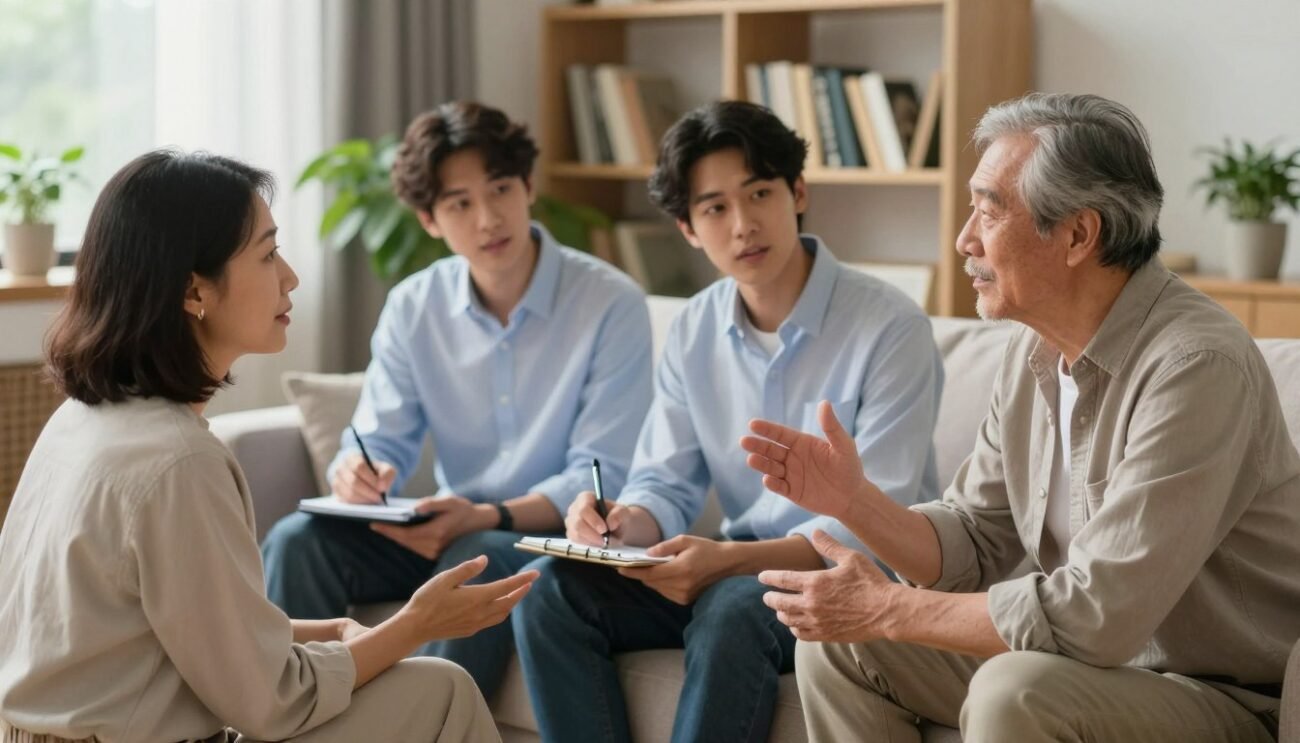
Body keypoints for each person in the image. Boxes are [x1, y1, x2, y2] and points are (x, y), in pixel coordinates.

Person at [741, 93, 1300, 742]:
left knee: (1014, 690)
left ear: (1078, 234)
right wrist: (855, 501)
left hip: (1220, 692)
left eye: (989, 208)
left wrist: (892, 606)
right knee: (841, 644)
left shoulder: (1196, 366)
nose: (964, 238)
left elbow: (1097, 614)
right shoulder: (1034, 348)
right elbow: (977, 541)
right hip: (1092, 666)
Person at [0, 149, 535, 743]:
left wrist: (329, 631)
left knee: (435, 688)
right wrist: (415, 625)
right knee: (442, 690)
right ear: (193, 291)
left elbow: (177, 631)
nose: (290, 277)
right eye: (267, 253)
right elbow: (272, 702)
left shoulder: (84, 419)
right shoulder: (179, 461)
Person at [512, 100, 944, 743]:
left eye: (760, 193)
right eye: (714, 208)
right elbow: (666, 477)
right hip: (732, 564)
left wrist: (726, 563)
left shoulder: (890, 326)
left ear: (797, 192)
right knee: (551, 589)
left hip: (847, 577)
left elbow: (874, 521)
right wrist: (625, 522)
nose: (743, 224)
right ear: (688, 228)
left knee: (732, 606)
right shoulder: (692, 328)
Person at [260, 101, 654, 698]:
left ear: (528, 186)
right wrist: (358, 476)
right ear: (429, 219)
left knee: (479, 553)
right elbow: (379, 437)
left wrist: (487, 516)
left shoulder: (610, 302)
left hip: (537, 541)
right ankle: (282, 722)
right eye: (459, 203)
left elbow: (603, 471)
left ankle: (423, 725)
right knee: (296, 541)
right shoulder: (414, 305)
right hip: (447, 526)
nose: (488, 218)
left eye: (499, 189)